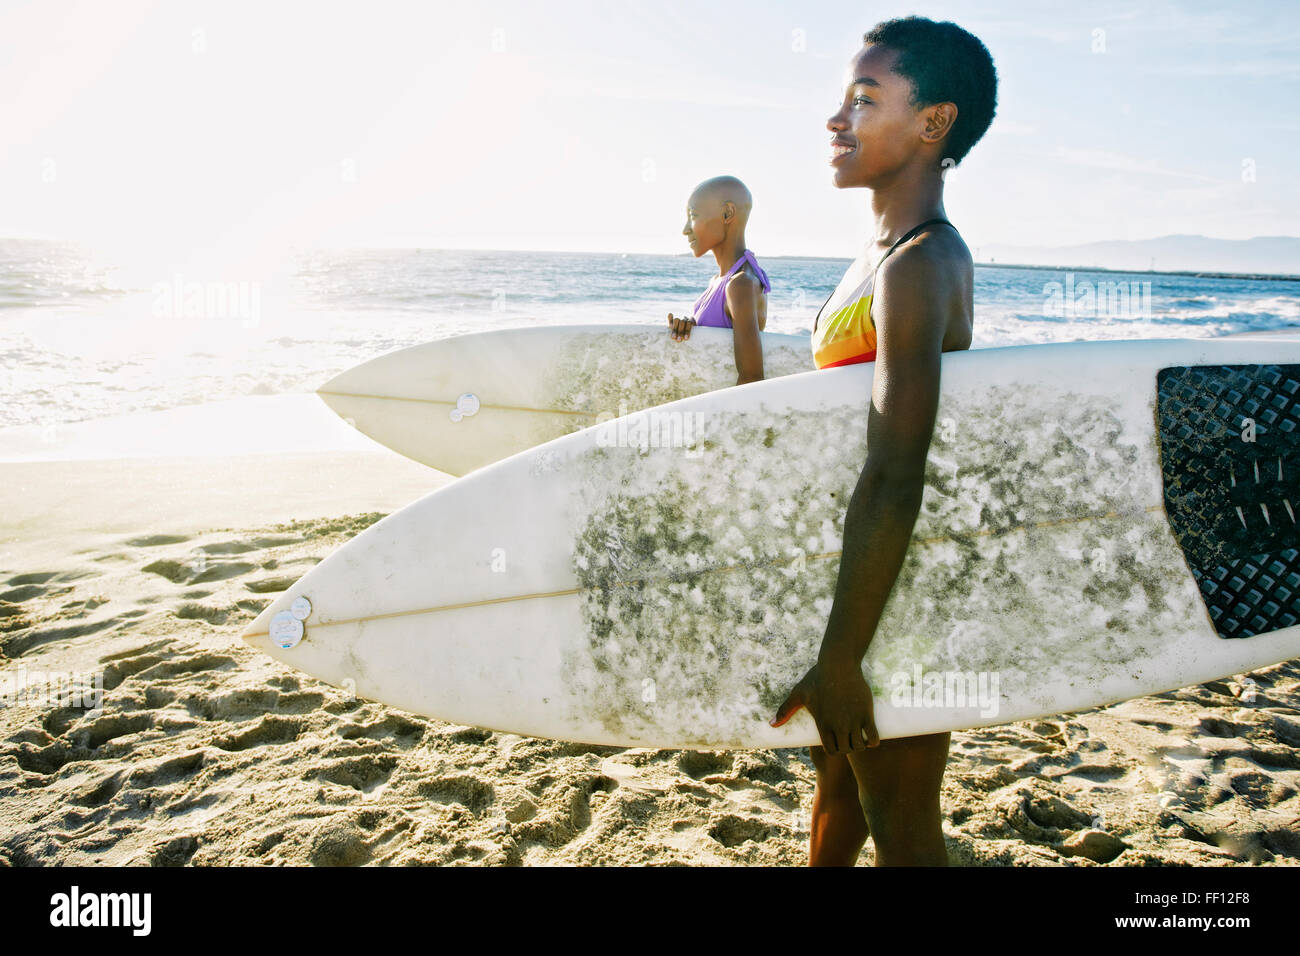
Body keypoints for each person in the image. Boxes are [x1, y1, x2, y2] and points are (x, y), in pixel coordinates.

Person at [769, 16, 998, 866]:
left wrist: (841, 657)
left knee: (901, 820)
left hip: (898, 595)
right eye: (841, 99)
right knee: (836, 785)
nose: (837, 120)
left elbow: (896, 471)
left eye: (865, 101)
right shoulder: (873, 255)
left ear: (932, 123)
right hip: (859, 581)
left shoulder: (921, 262)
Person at [667, 176, 769, 385]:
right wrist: (691, 325)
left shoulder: (740, 285)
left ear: (727, 213)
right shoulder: (718, 281)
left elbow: (752, 378)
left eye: (693, 216)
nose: (686, 229)